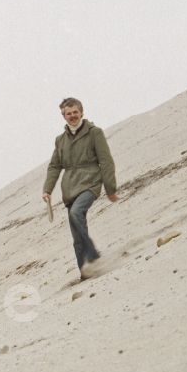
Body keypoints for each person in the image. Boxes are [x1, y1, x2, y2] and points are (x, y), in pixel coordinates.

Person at [42, 97, 119, 279]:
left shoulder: (95, 133)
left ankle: (93, 254)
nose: (72, 116)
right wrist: (47, 189)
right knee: (76, 237)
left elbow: (106, 161)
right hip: (69, 188)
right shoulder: (60, 140)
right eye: (68, 113)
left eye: (75, 112)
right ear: (63, 116)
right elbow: (54, 166)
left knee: (76, 213)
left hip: (90, 182)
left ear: (82, 112)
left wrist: (110, 189)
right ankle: (85, 273)